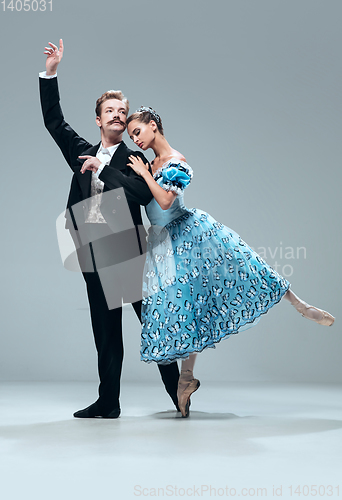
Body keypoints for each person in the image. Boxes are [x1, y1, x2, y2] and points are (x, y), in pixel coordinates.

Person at [124, 106, 335, 418]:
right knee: (189, 307)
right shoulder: (151, 162)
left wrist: (143, 174)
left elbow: (166, 200)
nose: (135, 139)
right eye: (131, 136)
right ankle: (185, 378)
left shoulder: (175, 161)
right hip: (164, 245)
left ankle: (300, 304)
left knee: (247, 266)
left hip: (189, 234)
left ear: (153, 126)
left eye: (137, 132)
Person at [39, 41, 180, 418]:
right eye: (110, 111)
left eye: (123, 111)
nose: (118, 115)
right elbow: (54, 121)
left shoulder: (136, 159)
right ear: (99, 120)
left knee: (154, 325)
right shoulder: (82, 150)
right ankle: (108, 402)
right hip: (94, 253)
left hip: (129, 253)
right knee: (105, 332)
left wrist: (104, 170)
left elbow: (138, 191)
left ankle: (178, 394)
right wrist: (50, 73)